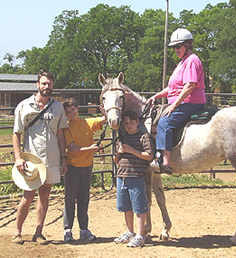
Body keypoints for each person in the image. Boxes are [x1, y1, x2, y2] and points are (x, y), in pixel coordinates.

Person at [12, 70, 68, 245]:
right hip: (31, 160)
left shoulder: (58, 107)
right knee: (28, 195)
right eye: (44, 83)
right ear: (37, 85)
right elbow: (16, 133)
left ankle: (39, 232)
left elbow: (60, 135)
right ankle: (17, 231)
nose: (47, 86)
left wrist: (63, 158)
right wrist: (18, 157)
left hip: (51, 158)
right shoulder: (24, 106)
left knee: (45, 195)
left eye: (50, 83)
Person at [147, 28, 206, 174]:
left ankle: (164, 161)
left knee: (165, 121)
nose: (176, 50)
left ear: (187, 45)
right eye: (174, 47)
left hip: (191, 102)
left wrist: (174, 105)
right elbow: (171, 88)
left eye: (178, 46)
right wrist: (156, 96)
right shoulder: (182, 63)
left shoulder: (192, 60)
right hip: (183, 101)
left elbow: (189, 86)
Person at [61, 98, 107, 242]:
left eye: (73, 109)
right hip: (73, 167)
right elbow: (73, 149)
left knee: (84, 198)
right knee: (70, 198)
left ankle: (84, 229)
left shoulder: (86, 123)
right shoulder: (67, 128)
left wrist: (105, 111)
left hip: (87, 166)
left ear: (77, 108)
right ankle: (68, 229)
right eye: (68, 112)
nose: (72, 113)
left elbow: (105, 119)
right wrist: (91, 149)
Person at [113, 111, 154, 248]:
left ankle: (140, 235)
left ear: (137, 122)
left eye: (131, 122)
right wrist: (118, 153)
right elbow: (115, 160)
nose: (128, 125)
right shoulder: (122, 138)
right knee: (126, 206)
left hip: (136, 176)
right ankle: (130, 232)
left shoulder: (143, 137)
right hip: (122, 176)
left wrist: (131, 150)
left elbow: (149, 156)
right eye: (126, 123)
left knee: (139, 207)